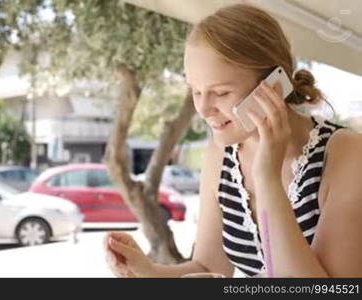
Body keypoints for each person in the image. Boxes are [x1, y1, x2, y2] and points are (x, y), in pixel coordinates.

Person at [103, 3, 362, 278]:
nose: (203, 109)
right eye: (196, 90)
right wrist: (150, 273)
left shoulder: (348, 155)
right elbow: (209, 268)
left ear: (275, 86)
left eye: (221, 93)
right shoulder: (221, 154)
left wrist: (267, 180)